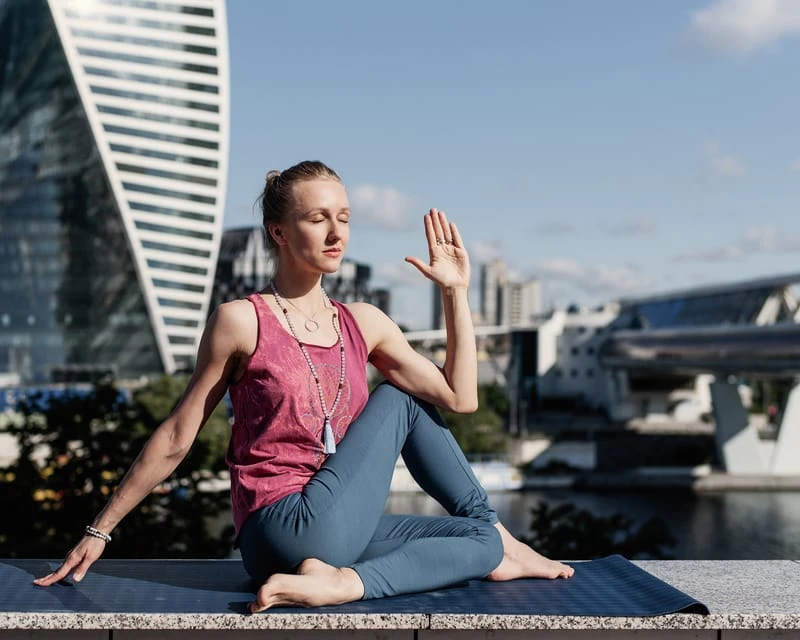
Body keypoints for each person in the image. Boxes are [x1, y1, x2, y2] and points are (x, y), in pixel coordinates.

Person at [34, 160, 573, 611]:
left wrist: (455, 293)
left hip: (324, 534)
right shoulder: (242, 320)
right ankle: (350, 582)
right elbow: (178, 434)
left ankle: (486, 543)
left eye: (344, 217)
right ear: (280, 232)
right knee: (401, 397)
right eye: (318, 219)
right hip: (280, 523)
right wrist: (100, 530)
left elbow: (461, 398)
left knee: (479, 543)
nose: (337, 233)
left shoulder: (364, 321)